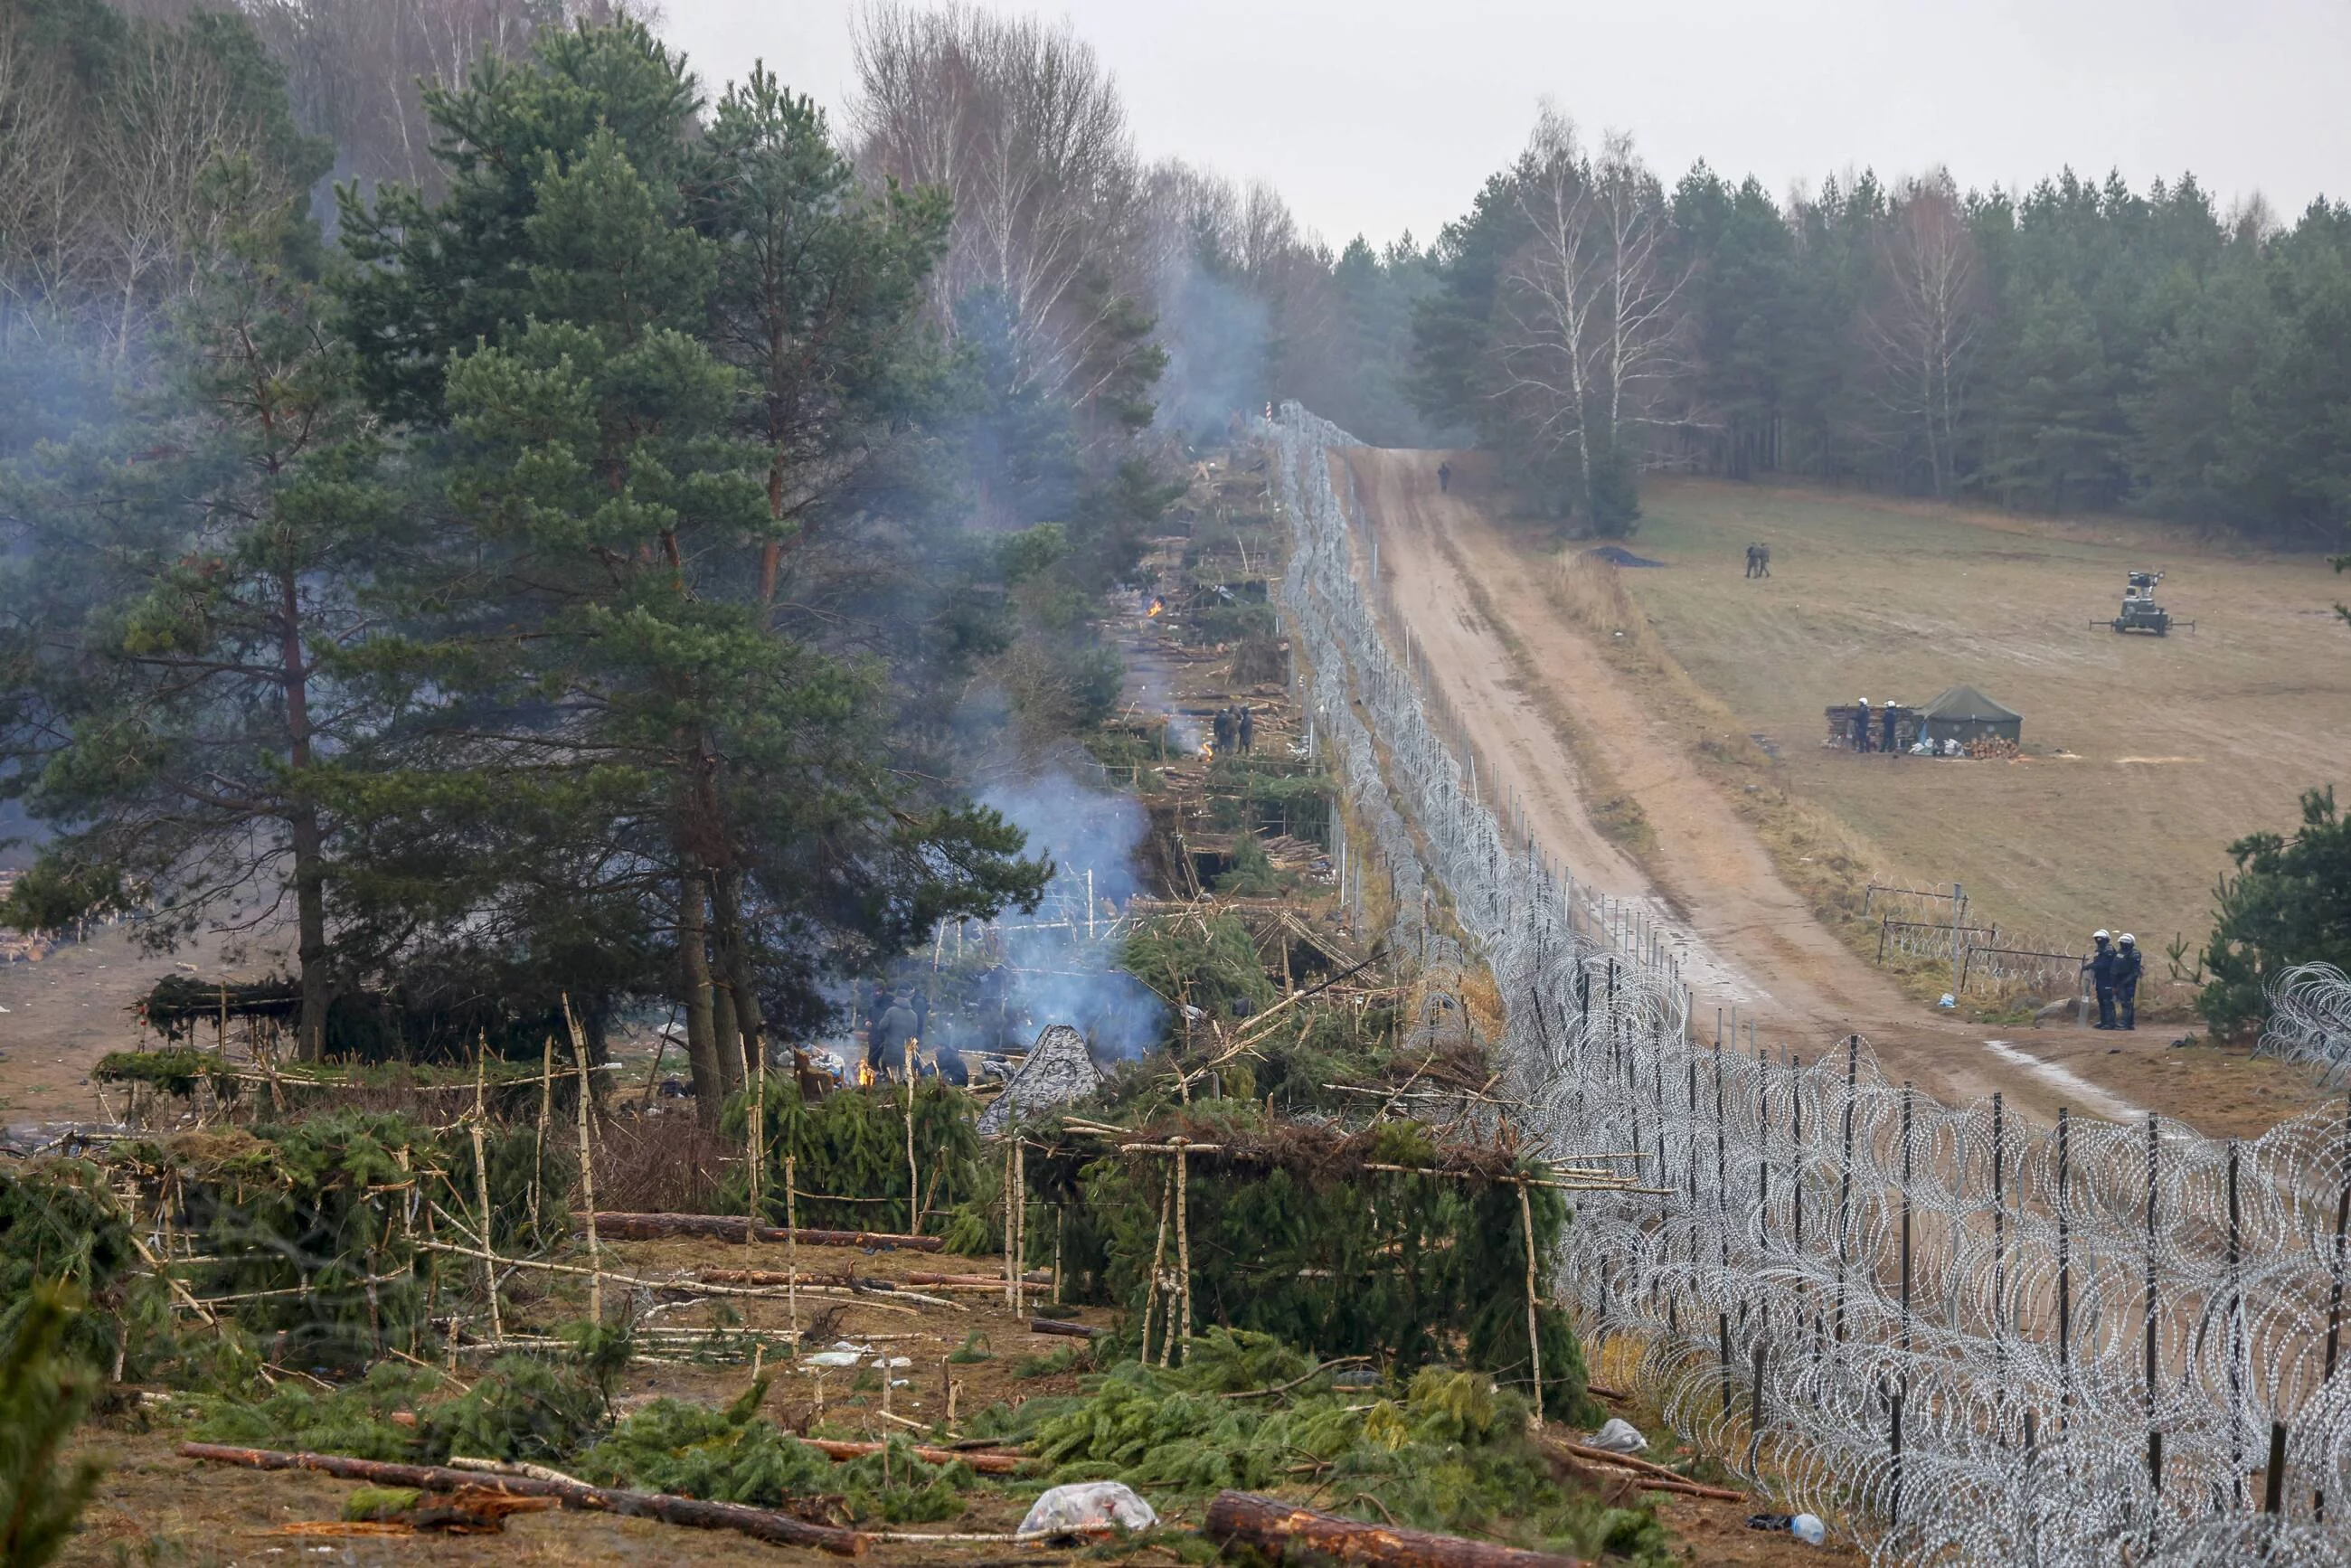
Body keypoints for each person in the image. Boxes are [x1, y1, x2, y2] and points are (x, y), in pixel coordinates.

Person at [867, 990, 919, 1079]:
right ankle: (904, 1089)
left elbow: (881, 1026)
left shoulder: (891, 1011)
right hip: (906, 1048)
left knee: (892, 1072)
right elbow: (914, 1032)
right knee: (904, 1071)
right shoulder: (914, 1015)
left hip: (892, 1048)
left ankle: (894, 1088)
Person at [2082, 930, 2119, 1029]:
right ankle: (2103, 1021)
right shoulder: (2100, 950)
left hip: (2108, 978)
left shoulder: (2108, 949)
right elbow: (2099, 962)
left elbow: (2105, 964)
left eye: (2100, 938)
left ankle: (2110, 1022)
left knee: (2107, 1000)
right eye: (2097, 938)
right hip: (2100, 978)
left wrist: (2091, 966)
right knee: (2101, 999)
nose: (2098, 940)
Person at [2112, 933, 2142, 1031]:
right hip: (2119, 980)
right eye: (2122, 942)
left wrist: (2125, 981)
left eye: (2125, 943)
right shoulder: (2120, 952)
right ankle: (2124, 1022)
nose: (2123, 944)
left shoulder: (2134, 953)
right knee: (2123, 1001)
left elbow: (2135, 971)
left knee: (2127, 1002)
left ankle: (2127, 1023)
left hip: (2128, 981)